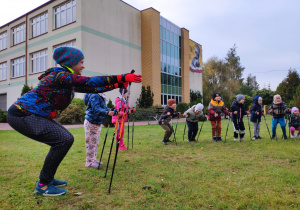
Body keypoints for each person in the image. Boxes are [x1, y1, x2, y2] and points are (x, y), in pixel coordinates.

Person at [6, 46, 142, 196]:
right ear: (71, 62)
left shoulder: (65, 79)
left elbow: (92, 88)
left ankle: (47, 179)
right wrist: (121, 77)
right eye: (81, 62)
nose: (83, 66)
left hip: (33, 115)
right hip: (22, 114)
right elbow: (91, 81)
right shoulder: (60, 76)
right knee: (64, 139)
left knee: (65, 139)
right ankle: (43, 185)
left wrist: (117, 84)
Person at [84, 93, 114, 168]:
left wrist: (112, 110)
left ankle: (93, 159)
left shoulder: (100, 96)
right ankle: (89, 162)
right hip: (91, 122)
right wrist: (107, 112)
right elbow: (96, 109)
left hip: (96, 123)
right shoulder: (95, 95)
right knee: (91, 143)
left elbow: (104, 108)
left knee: (95, 142)